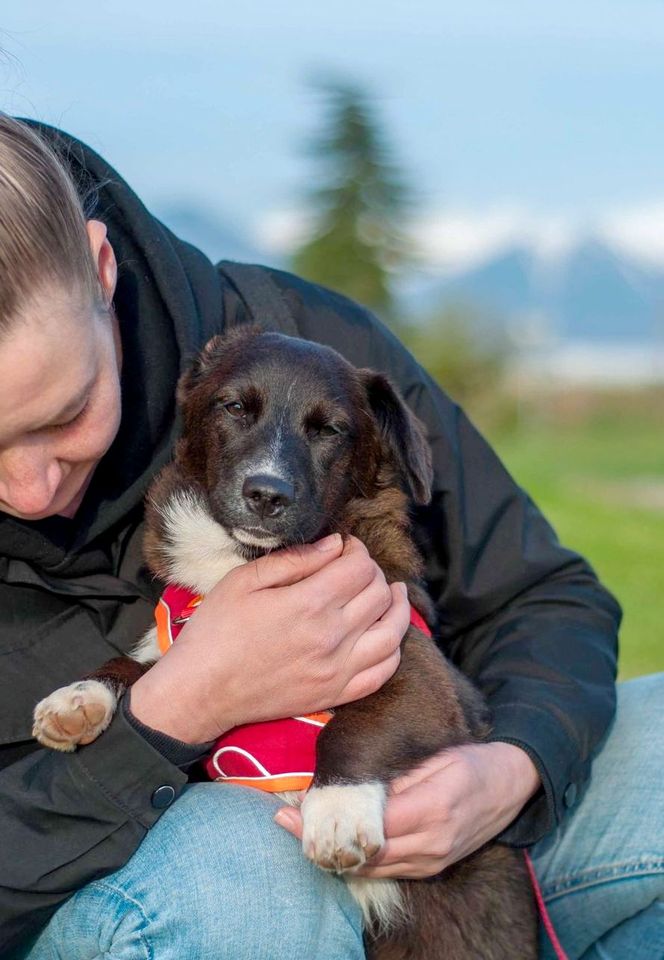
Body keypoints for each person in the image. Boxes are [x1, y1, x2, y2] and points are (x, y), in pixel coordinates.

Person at [0, 113, 660, 960]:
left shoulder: (307, 346)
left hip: (439, 868)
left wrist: (512, 772)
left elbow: (542, 594)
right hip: (153, 900)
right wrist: (171, 711)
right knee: (234, 876)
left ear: (100, 272)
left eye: (65, 414)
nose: (32, 487)